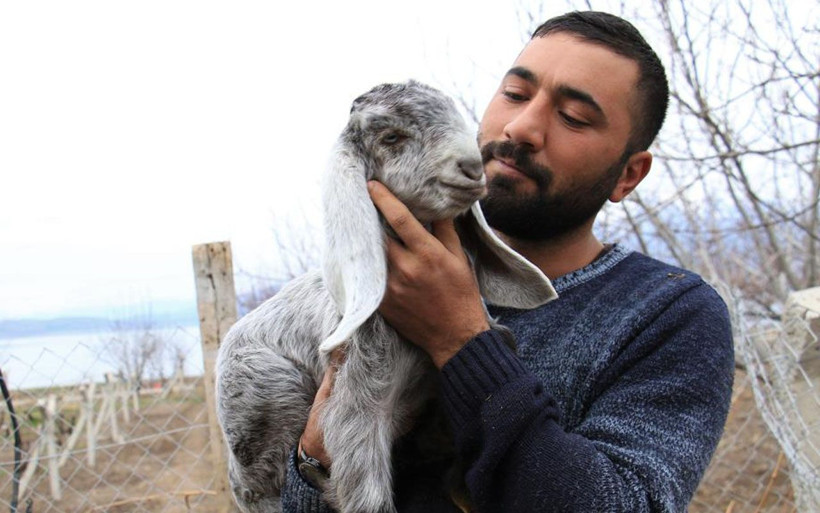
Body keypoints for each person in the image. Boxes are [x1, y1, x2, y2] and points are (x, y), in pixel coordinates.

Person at [283, 10, 734, 513]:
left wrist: (459, 339)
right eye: (515, 94)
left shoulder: (669, 316)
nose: (521, 128)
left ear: (628, 175)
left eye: (573, 118)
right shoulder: (366, 290)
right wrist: (316, 462)